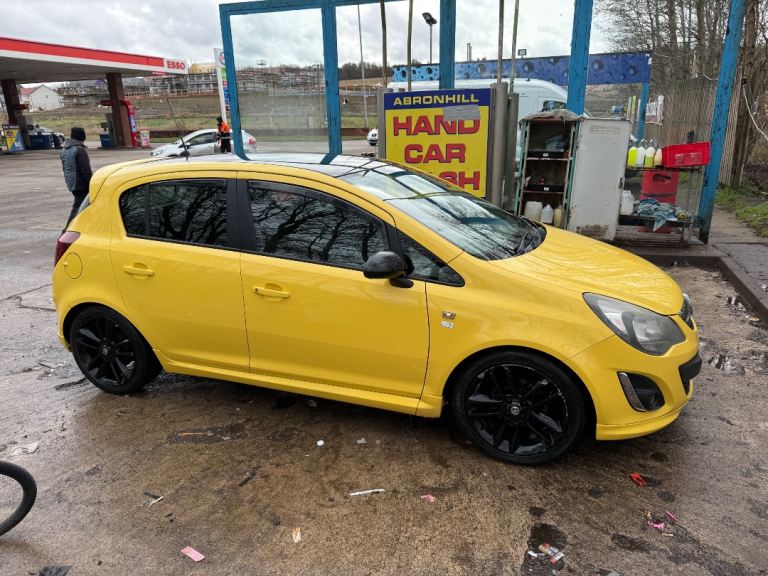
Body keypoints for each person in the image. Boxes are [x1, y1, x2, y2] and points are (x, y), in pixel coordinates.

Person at [60, 127, 92, 228]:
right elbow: (85, 170)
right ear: (82, 136)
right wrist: (91, 183)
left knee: (81, 206)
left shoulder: (65, 149)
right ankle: (67, 230)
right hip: (81, 184)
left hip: (72, 183)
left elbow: (65, 168)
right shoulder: (79, 150)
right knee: (78, 207)